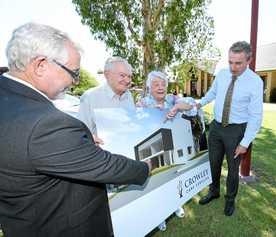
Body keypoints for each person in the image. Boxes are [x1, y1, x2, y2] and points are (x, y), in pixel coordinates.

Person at [0, 22, 151, 237]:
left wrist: (79, 142)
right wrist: (143, 168)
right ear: (41, 65)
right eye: (73, 72)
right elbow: (105, 165)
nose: (74, 81)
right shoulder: (44, 124)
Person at [197, 41, 263, 216]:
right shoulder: (222, 74)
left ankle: (230, 200)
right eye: (230, 62)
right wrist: (199, 104)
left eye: (238, 63)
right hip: (216, 127)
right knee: (213, 162)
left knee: (233, 170)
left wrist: (245, 142)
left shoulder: (255, 82)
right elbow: (212, 93)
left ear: (248, 60)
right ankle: (214, 191)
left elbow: (256, 116)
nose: (233, 67)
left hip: (236, 131)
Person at [136, 70, 197, 231]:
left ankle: (176, 205)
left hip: (174, 144)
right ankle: (160, 216)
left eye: (163, 84)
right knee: (158, 183)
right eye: (156, 84)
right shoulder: (143, 103)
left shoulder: (172, 99)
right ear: (149, 87)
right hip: (155, 148)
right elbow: (137, 126)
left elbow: (192, 109)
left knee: (176, 178)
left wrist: (177, 106)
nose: (161, 87)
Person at [78, 56, 134, 143]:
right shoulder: (90, 97)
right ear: (107, 75)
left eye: (129, 76)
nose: (127, 80)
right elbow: (80, 132)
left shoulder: (129, 96)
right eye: (122, 75)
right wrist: (91, 138)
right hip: (100, 153)